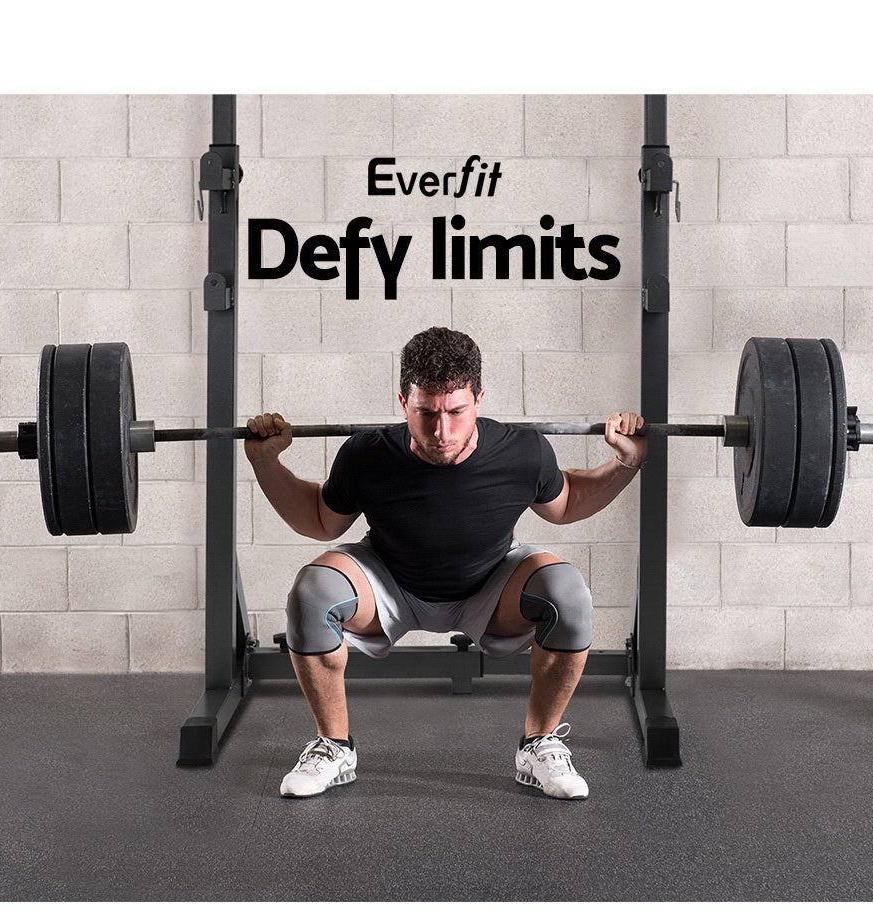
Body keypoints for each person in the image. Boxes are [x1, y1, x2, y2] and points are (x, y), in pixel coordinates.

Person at [245, 326, 647, 801]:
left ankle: (538, 745)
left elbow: (569, 503)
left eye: (456, 412)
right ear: (402, 402)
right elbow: (319, 519)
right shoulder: (367, 453)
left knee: (568, 593)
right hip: (389, 585)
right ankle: (333, 747)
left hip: (490, 588)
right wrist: (266, 464)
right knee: (312, 591)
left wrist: (627, 462)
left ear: (479, 398)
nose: (441, 431)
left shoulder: (522, 450)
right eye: (425, 413)